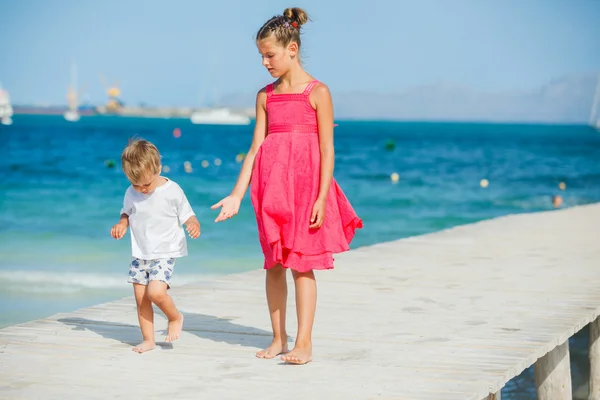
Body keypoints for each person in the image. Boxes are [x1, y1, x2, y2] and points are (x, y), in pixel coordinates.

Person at [211, 7, 362, 365]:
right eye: (261, 56)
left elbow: (327, 149)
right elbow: (255, 148)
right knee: (274, 263)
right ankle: (279, 339)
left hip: (307, 189)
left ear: (291, 49)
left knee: (302, 264)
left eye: (270, 55)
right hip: (270, 189)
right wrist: (236, 194)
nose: (265, 62)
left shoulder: (318, 92)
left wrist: (322, 198)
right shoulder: (265, 96)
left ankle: (304, 343)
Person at [111, 139, 200, 353]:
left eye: (146, 185)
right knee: (141, 299)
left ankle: (175, 316)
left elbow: (188, 213)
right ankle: (148, 339)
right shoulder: (131, 192)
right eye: (136, 185)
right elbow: (127, 211)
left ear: (157, 169)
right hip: (141, 252)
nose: (141, 190)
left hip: (165, 251)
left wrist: (193, 224)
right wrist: (122, 223)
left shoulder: (172, 190)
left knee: (156, 293)